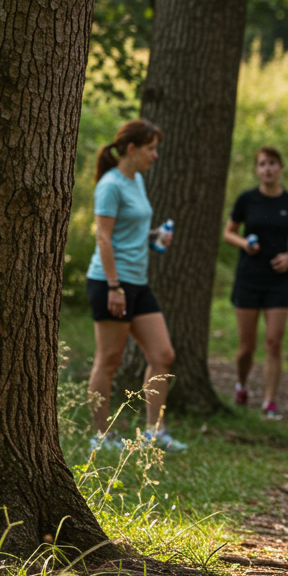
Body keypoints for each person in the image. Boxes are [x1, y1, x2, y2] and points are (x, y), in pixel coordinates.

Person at [86, 119, 187, 453]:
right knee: (109, 360)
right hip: (110, 282)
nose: (155, 155)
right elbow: (103, 238)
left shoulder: (138, 180)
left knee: (163, 355)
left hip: (138, 283)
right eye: (150, 148)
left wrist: (155, 235)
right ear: (131, 149)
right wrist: (114, 287)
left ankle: (153, 432)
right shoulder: (110, 185)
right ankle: (101, 437)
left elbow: (129, 232)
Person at [222, 147, 288, 419]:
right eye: (262, 164)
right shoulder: (247, 199)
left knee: (273, 343)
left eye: (272, 163)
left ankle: (270, 401)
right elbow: (228, 233)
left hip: (277, 282)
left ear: (281, 167)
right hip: (248, 279)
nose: (267, 168)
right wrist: (244, 243)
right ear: (257, 169)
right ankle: (241, 385)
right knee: (246, 347)